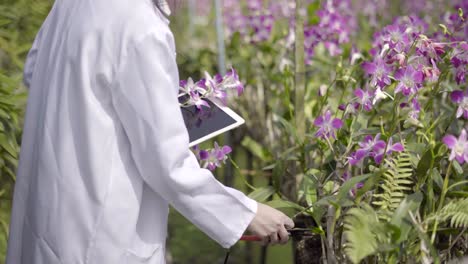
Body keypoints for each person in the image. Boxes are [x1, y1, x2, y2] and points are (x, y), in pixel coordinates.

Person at [5, 0, 294, 263]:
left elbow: (35, 71)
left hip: (53, 214)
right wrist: (245, 214)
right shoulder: (140, 26)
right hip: (101, 236)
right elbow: (166, 162)